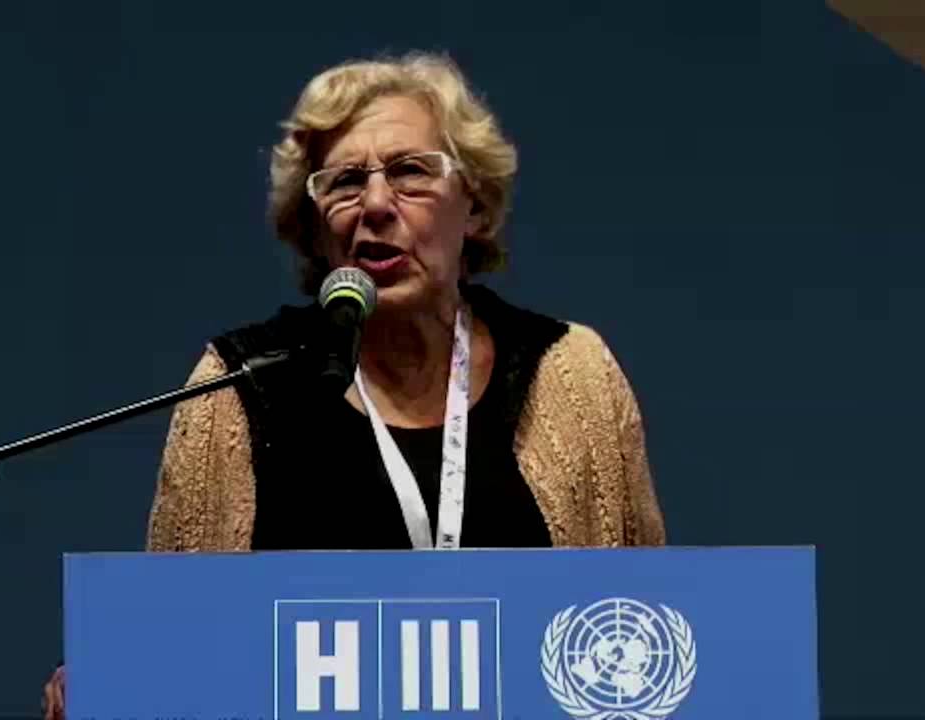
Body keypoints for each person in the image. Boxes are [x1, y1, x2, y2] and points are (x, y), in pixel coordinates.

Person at [41, 50, 665, 720]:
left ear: (475, 206)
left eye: (410, 172)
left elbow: (654, 624)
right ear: (314, 228)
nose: (375, 204)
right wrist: (122, 678)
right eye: (343, 182)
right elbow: (176, 643)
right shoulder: (239, 385)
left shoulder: (571, 371)